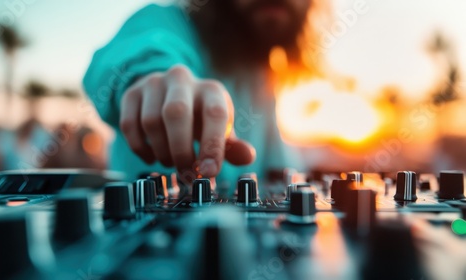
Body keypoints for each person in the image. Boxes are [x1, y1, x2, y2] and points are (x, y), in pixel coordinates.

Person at [84, 0, 322, 184]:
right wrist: (151, 78)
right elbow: (140, 50)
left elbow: (279, 167)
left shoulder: (264, 75)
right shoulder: (166, 21)